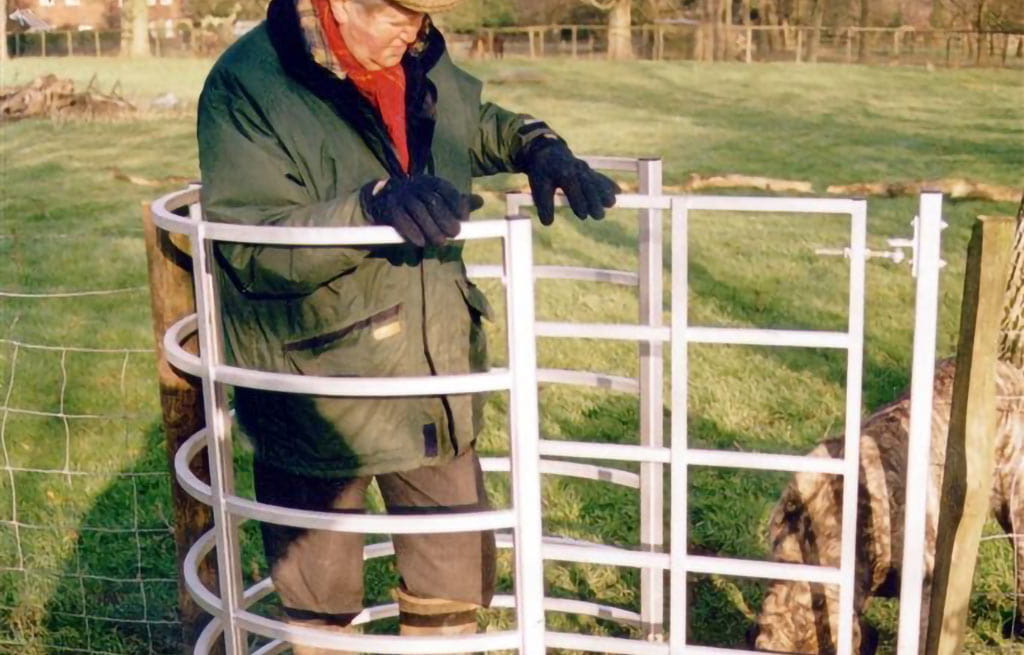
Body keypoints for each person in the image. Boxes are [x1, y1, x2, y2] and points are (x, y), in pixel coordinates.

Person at [196, 0, 618, 651]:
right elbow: (253, 245)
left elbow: (468, 124)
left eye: (423, 15)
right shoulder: (249, 84)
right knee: (317, 601)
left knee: (450, 580)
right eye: (397, 11)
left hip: (432, 371)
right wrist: (369, 207)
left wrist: (537, 146)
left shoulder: (417, 59)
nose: (413, 28)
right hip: (317, 384)